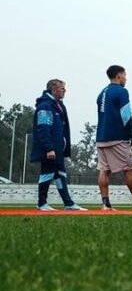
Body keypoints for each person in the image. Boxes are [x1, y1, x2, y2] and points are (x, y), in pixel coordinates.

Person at [95, 65, 132, 211]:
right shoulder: (121, 91)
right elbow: (126, 115)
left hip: (101, 136)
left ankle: (105, 204)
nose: (126, 78)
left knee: (104, 170)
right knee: (129, 170)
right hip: (117, 136)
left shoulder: (102, 93)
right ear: (119, 75)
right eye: (125, 75)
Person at [30, 79, 84, 211]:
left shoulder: (59, 105)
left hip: (59, 148)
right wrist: (49, 148)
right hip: (50, 149)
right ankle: (41, 203)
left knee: (61, 174)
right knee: (47, 173)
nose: (64, 91)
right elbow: (43, 128)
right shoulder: (45, 106)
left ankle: (68, 203)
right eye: (62, 88)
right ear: (53, 90)